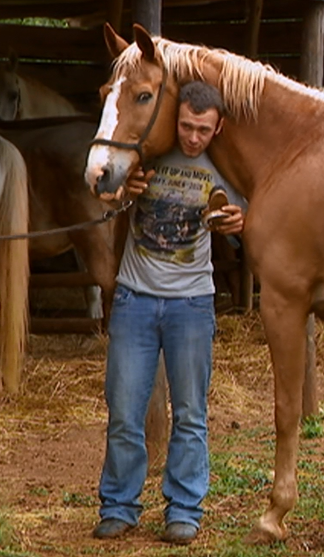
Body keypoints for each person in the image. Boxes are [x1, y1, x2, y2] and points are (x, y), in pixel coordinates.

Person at [90, 81, 245, 545]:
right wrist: (121, 191)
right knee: (123, 410)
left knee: (192, 413)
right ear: (175, 119)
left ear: (217, 129)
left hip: (192, 304)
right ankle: (118, 505)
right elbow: (104, 192)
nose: (193, 137)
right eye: (186, 126)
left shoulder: (223, 168)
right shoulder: (147, 153)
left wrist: (240, 222)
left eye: (202, 130)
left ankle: (183, 508)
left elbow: (243, 218)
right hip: (135, 298)